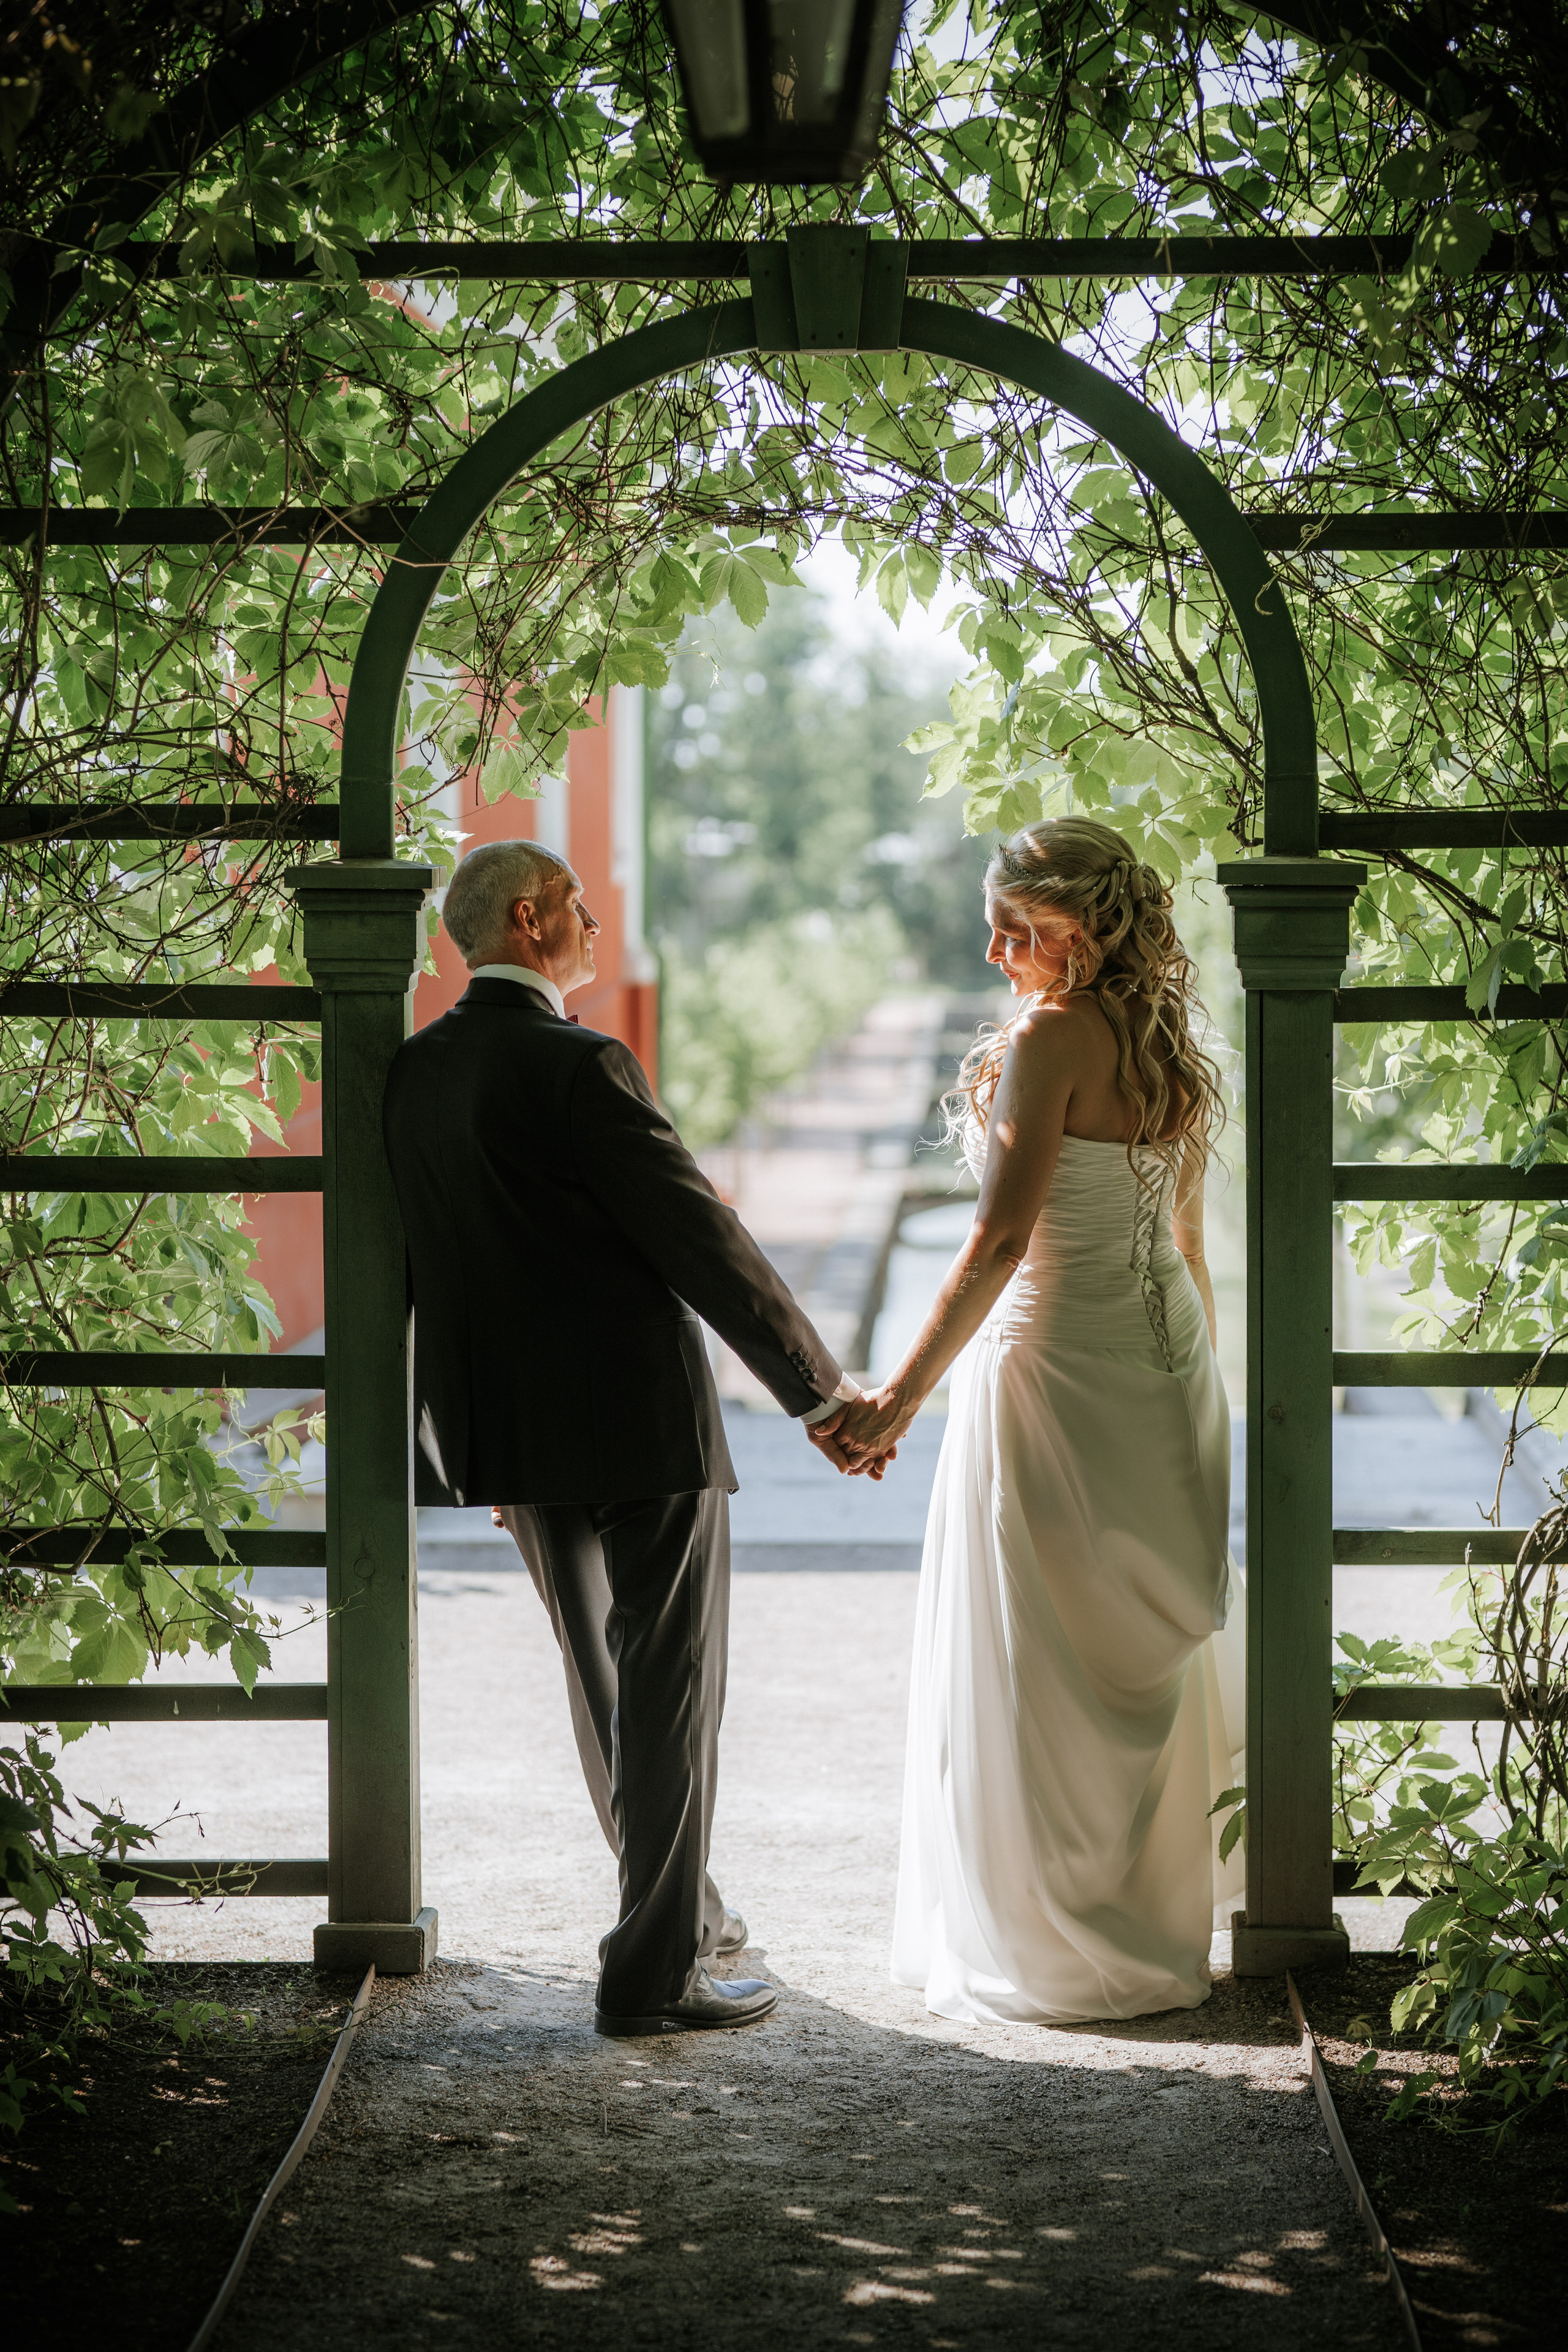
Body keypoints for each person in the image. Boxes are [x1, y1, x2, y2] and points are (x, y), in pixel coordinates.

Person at [382, 839, 861, 2038]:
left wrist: (463, 1438)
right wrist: (816, 1393)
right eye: (584, 910)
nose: (595, 929)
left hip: (511, 1427)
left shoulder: (415, 1073)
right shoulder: (582, 1063)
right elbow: (699, 1239)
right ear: (534, 919)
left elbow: (431, 1267)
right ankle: (653, 1978)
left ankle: (681, 1914)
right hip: (640, 1424)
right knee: (669, 1691)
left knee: (603, 1693)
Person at [820, 816, 1245, 2025]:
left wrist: (889, 1397)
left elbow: (999, 1242)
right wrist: (1191, 1392)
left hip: (1053, 1372)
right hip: (1164, 1370)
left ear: (1084, 926)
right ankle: (1152, 1931)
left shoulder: (1054, 1037)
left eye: (1020, 924)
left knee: (1038, 1660)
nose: (995, 944)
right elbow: (1184, 1249)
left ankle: (1056, 1950)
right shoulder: (1161, 1041)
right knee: (1135, 1656)